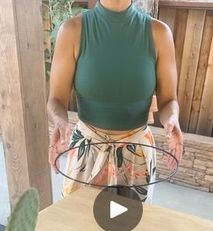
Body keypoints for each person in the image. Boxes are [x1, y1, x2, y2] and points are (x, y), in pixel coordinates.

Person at [48, 0, 183, 202]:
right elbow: (56, 99)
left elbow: (169, 100)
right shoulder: (72, 31)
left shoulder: (159, 34)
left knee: (128, 228)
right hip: (88, 151)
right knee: (81, 227)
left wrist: (172, 119)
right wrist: (59, 121)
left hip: (136, 155)